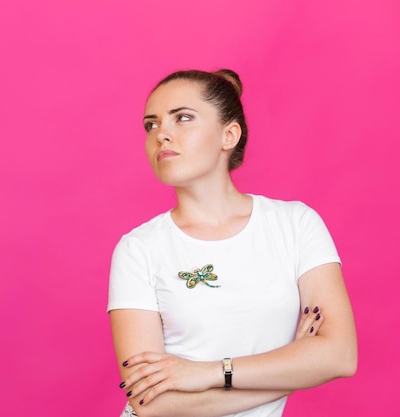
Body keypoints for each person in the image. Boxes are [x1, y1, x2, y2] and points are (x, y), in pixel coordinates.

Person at [107, 69, 357, 417]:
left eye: (182, 118)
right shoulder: (138, 249)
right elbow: (153, 404)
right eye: (151, 124)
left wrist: (209, 372)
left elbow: (340, 356)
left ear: (229, 135)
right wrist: (292, 373)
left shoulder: (296, 225)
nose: (161, 134)